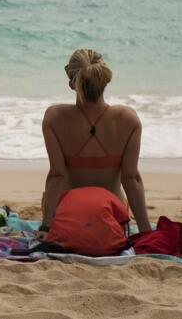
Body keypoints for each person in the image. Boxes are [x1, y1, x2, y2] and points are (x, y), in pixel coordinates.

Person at [39, 49, 150, 254]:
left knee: (48, 194)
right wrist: (146, 233)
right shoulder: (128, 118)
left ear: (72, 83)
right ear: (105, 81)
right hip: (110, 221)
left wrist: (45, 227)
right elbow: (131, 178)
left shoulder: (54, 117)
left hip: (67, 220)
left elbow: (56, 175)